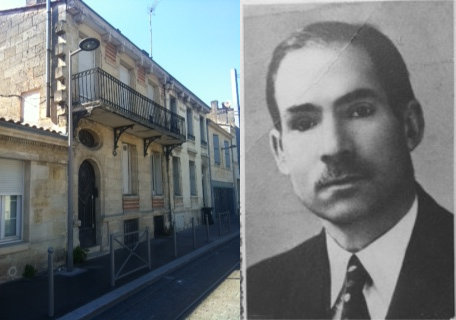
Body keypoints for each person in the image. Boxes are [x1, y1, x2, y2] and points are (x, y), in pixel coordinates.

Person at [247, 21, 454, 320]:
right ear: (280, 152)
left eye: (360, 111)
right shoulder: (259, 290)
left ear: (410, 126)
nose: (333, 147)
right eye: (304, 123)